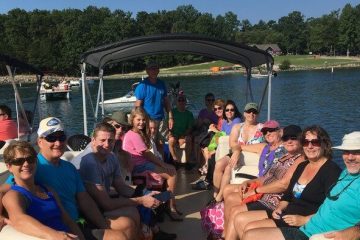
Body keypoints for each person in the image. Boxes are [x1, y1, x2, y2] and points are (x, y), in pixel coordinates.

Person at [1, 117, 131, 240]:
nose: (57, 143)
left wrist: (103, 226)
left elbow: (85, 201)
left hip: (77, 221)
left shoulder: (67, 168)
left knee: (127, 224)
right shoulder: (32, 168)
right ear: (40, 142)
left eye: (61, 137)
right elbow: (5, 193)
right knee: (123, 229)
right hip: (59, 229)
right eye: (51, 138)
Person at [242, 131, 360, 240]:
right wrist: (281, 208)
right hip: (306, 225)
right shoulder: (345, 174)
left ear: (324, 144)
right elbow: (326, 207)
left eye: (356, 152)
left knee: (250, 234)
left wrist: (354, 231)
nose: (350, 157)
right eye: (346, 152)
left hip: (315, 233)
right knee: (248, 230)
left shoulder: (332, 171)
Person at [71, 122, 170, 239]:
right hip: (88, 210)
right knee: (129, 220)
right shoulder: (90, 162)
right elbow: (106, 204)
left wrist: (146, 194)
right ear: (93, 140)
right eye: (102, 140)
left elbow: (120, 186)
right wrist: (142, 200)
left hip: (101, 201)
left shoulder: (111, 157)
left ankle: (148, 232)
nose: (107, 144)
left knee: (134, 212)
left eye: (110, 141)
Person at [224, 125, 305, 239]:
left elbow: (283, 185)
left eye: (294, 138)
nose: (289, 141)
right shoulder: (285, 156)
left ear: (301, 140)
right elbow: (267, 177)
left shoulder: (300, 159)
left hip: (275, 202)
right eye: (286, 138)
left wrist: (256, 190)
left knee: (238, 214)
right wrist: (249, 182)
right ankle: (224, 235)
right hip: (265, 195)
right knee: (232, 201)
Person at [2, 140, 84, 239]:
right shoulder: (13, 196)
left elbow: (67, 220)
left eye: (30, 159)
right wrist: (56, 236)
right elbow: (19, 219)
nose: (26, 164)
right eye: (19, 161)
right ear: (9, 167)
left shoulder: (47, 189)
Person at [122, 107, 182, 221]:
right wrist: (163, 165)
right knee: (172, 174)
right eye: (138, 120)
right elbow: (147, 154)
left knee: (171, 169)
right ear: (132, 120)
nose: (141, 122)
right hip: (139, 166)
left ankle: (169, 204)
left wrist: (163, 165)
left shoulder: (135, 133)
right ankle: (171, 207)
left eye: (144, 120)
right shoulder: (134, 135)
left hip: (142, 163)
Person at [212, 102, 264, 200]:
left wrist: (239, 148)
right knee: (219, 164)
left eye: (254, 112)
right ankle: (216, 193)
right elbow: (232, 144)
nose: (251, 114)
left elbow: (264, 146)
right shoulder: (237, 127)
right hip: (237, 152)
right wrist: (236, 151)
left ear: (257, 114)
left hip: (252, 156)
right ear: (244, 113)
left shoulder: (262, 128)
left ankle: (219, 197)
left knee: (228, 168)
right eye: (249, 111)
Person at [134, 61, 173, 139]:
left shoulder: (161, 83)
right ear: (147, 71)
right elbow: (138, 106)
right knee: (151, 143)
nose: (154, 71)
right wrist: (139, 122)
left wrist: (170, 117)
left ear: (158, 71)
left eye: (155, 69)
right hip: (148, 120)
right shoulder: (142, 85)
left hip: (161, 119)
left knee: (162, 142)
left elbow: (166, 102)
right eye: (151, 69)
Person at [168, 94, 194, 163]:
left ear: (186, 102)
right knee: (171, 141)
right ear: (176, 102)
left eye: (183, 100)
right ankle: (174, 159)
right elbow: (168, 126)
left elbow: (190, 127)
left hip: (184, 134)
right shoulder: (172, 113)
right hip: (174, 134)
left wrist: (183, 136)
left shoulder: (189, 114)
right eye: (179, 100)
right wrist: (170, 133)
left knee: (188, 139)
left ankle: (187, 161)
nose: (181, 102)